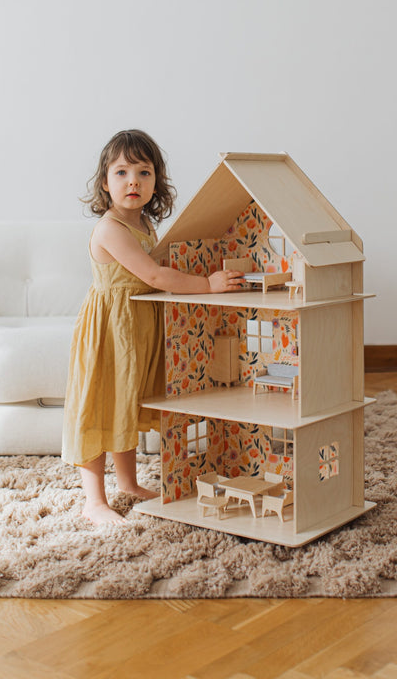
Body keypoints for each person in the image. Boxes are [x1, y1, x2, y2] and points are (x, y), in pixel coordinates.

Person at [62, 129, 244, 525]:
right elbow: (156, 276)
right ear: (105, 183)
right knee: (100, 406)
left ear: (156, 182)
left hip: (139, 328)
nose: (133, 182)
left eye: (144, 173)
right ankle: (93, 500)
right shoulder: (111, 229)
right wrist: (206, 286)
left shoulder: (144, 224)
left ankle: (127, 482)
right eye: (122, 172)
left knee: (126, 404)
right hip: (111, 329)